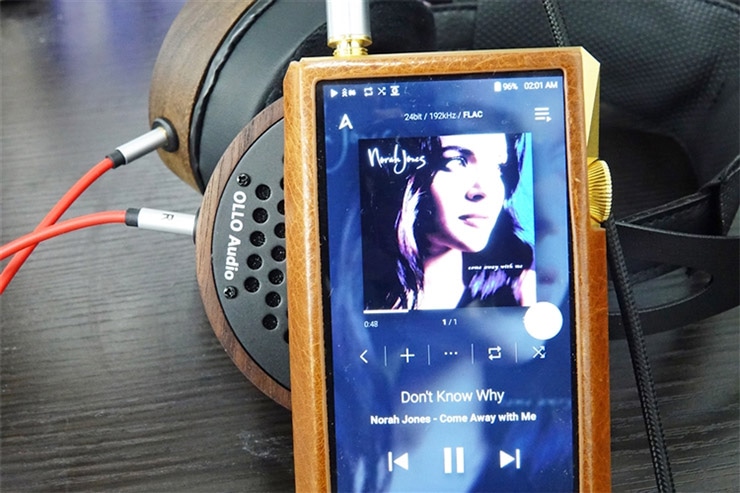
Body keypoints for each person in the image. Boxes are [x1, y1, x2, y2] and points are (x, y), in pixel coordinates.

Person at [362, 132, 535, 310]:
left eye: (498, 166)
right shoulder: (356, 288)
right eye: (457, 161)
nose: (485, 191)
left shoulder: (521, 291)